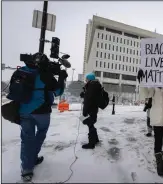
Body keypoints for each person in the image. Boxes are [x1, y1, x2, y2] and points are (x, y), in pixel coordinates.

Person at [13, 53, 68, 181]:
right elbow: (58, 91)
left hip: (24, 111)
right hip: (42, 112)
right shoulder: (45, 75)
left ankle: (27, 169)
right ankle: (32, 157)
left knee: (27, 139)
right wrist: (61, 77)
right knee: (41, 133)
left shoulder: (21, 72)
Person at [80, 73, 102, 149]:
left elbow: (88, 100)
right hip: (93, 108)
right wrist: (84, 94)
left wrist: (85, 112)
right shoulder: (94, 85)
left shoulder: (91, 86)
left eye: (86, 79)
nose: (85, 80)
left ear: (89, 79)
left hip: (91, 109)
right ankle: (95, 139)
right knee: (90, 124)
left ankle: (91, 143)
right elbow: (90, 97)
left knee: (89, 123)